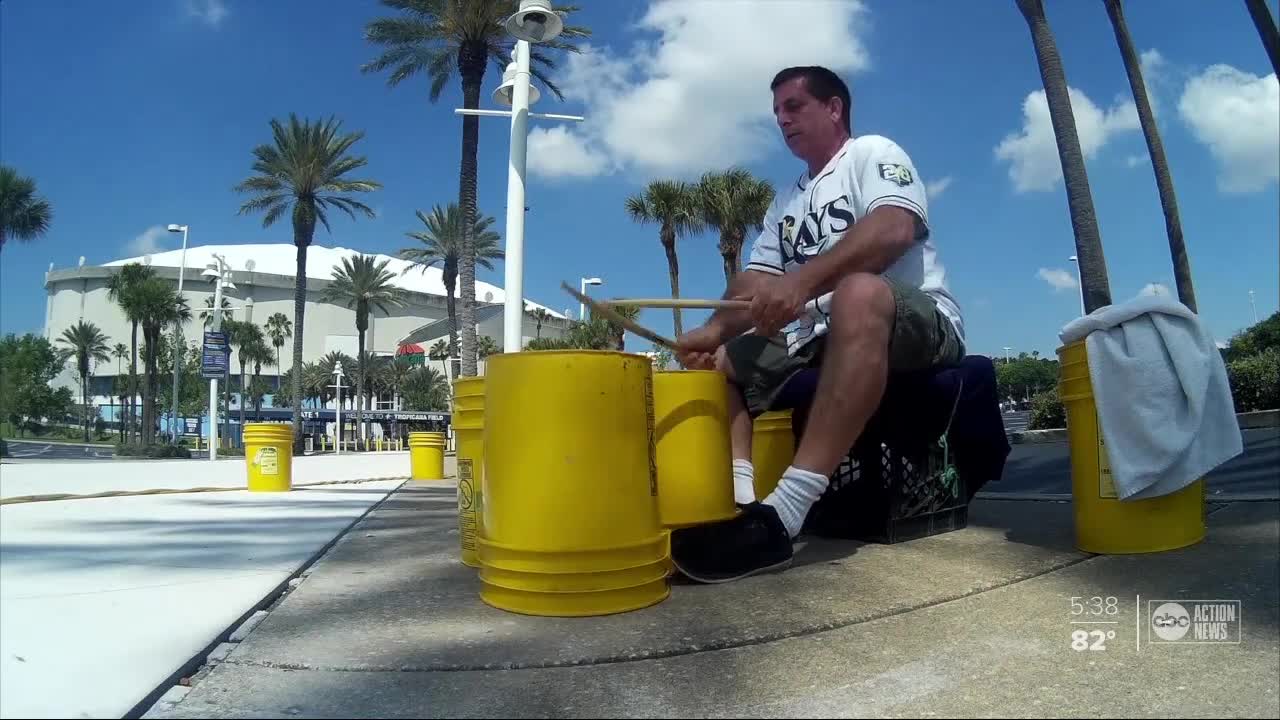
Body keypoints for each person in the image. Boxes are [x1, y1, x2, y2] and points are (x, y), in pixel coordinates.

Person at [669, 66, 966, 583]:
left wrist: (801, 283)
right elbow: (753, 283)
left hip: (918, 322)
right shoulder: (785, 200)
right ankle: (744, 505)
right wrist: (712, 333)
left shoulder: (873, 153)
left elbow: (894, 227)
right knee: (721, 363)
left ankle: (784, 517)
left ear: (834, 108)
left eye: (794, 106)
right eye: (777, 111)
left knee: (858, 292)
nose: (782, 119)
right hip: (823, 338)